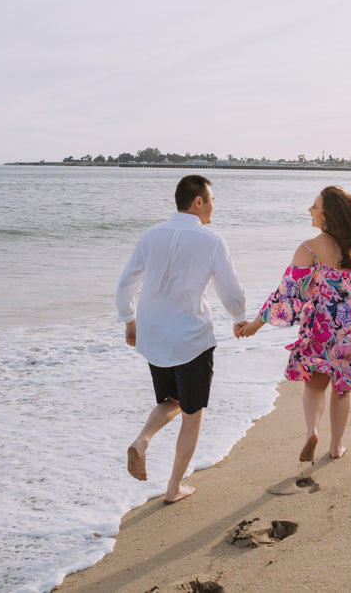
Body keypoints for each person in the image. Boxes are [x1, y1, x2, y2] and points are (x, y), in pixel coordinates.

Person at [115, 174, 246, 503]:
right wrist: (239, 318)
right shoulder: (211, 240)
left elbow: (126, 282)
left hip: (153, 335)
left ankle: (143, 439)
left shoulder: (151, 235)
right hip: (190, 338)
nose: (214, 206)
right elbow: (230, 291)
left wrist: (129, 320)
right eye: (211, 200)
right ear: (198, 201)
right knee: (192, 412)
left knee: (171, 400)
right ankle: (173, 488)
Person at [237, 186, 351, 462]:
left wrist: (255, 324)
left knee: (315, 385)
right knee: (342, 389)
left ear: (328, 215)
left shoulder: (309, 248)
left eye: (315, 207)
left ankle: (311, 431)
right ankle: (336, 446)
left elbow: (287, 293)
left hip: (321, 327)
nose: (310, 210)